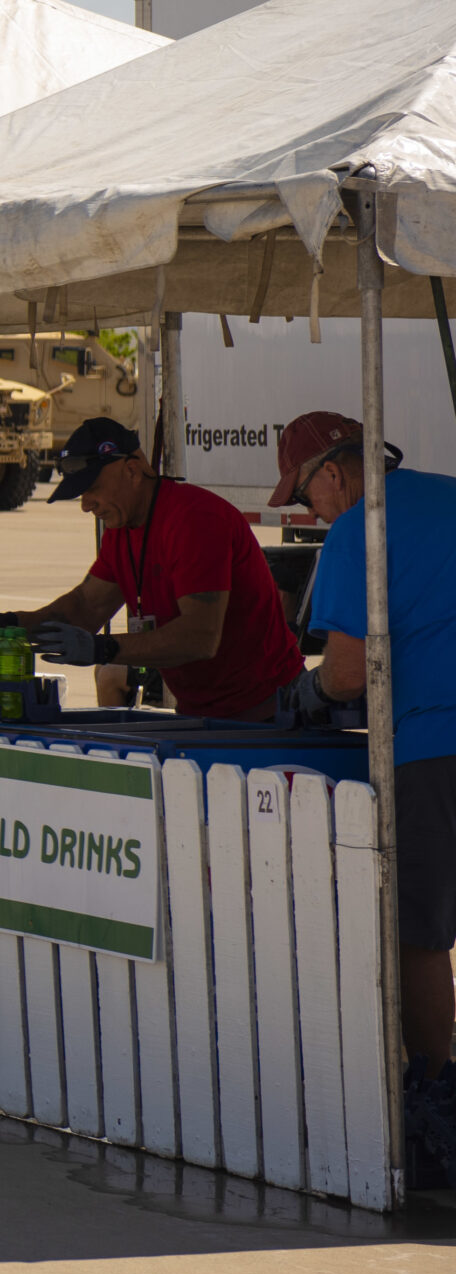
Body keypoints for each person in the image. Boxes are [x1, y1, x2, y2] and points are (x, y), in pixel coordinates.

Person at [273, 411, 456, 1121]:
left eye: (303, 495)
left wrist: (310, 688)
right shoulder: (448, 493)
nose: (307, 511)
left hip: (434, 745)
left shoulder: (357, 527)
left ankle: (434, 1093)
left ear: (334, 474)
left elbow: (348, 671)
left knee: (419, 931)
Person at [10, 417, 301, 718]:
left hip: (266, 713)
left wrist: (103, 649)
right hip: (202, 714)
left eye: (92, 488)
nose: (86, 505)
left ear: (132, 471)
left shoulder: (194, 520)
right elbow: (85, 607)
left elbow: (199, 637)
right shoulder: (121, 529)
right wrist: (6, 625)